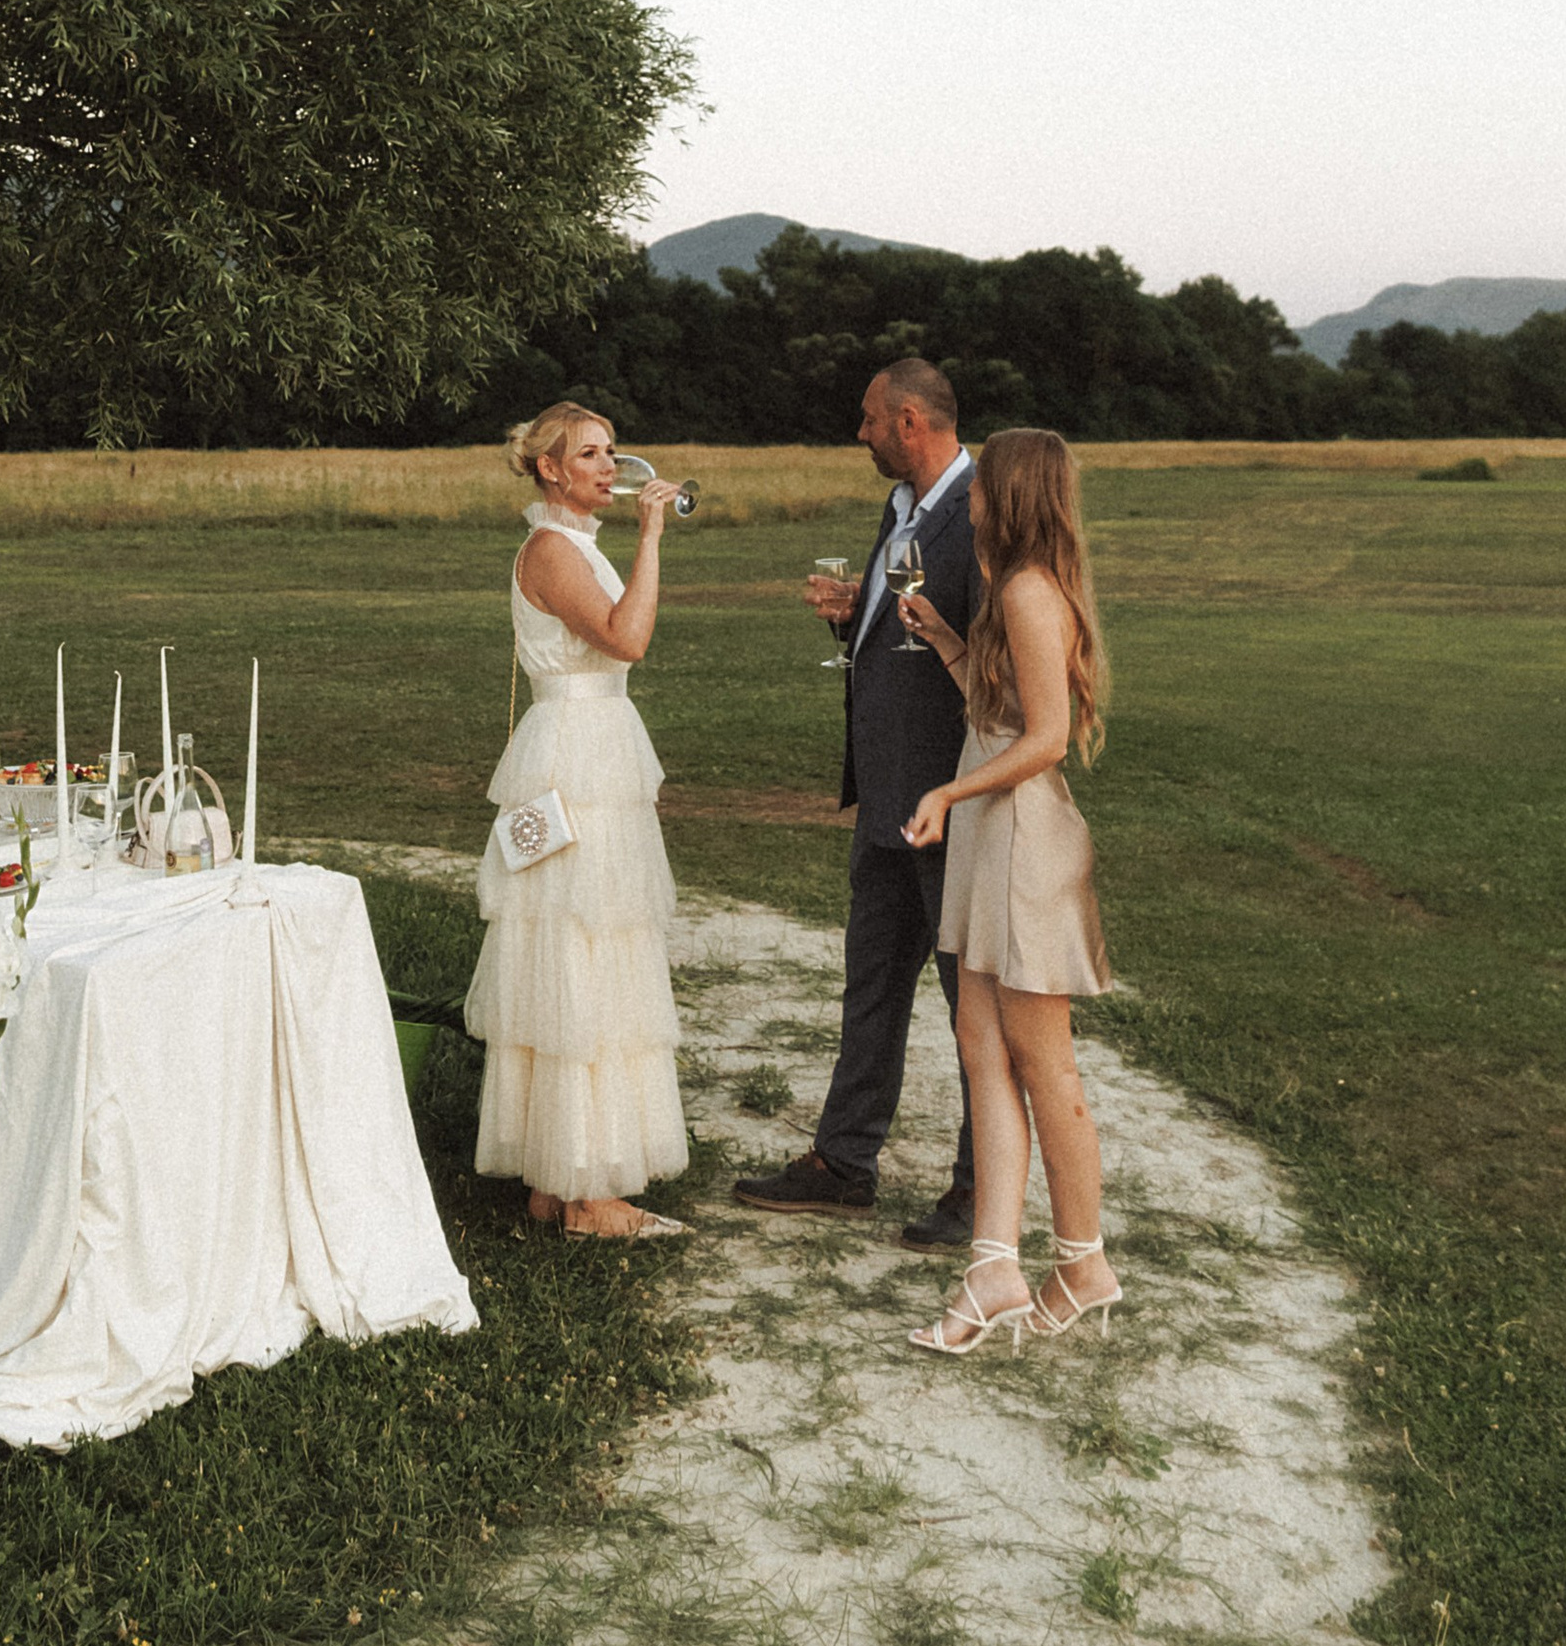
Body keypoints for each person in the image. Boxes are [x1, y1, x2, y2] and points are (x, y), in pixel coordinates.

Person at [732, 356, 980, 1245]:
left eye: (872, 420)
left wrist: (958, 793)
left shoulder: (982, 511)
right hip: (886, 800)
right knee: (871, 987)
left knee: (972, 1008)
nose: (863, 434)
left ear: (910, 422)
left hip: (950, 807)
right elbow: (912, 628)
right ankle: (844, 1164)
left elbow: (992, 664)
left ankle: (978, 1191)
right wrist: (859, 611)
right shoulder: (904, 507)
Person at [895, 423, 1118, 1354]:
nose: (972, 494)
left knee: (1042, 1062)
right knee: (981, 1044)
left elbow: (1047, 742)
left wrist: (947, 791)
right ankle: (995, 1267)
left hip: (1022, 836)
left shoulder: (1030, 593)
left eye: (985, 482)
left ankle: (1084, 1262)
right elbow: (1001, 715)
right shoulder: (1007, 592)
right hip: (997, 829)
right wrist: (948, 638)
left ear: (1012, 494)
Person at [466, 401, 690, 1240]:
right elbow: (628, 639)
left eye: (612, 451)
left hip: (588, 742)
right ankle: (588, 1195)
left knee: (581, 946)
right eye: (589, 454)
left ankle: (558, 1180)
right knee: (581, 950)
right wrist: (654, 538)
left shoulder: (570, 545)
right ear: (551, 469)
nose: (609, 465)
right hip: (579, 754)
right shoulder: (555, 550)